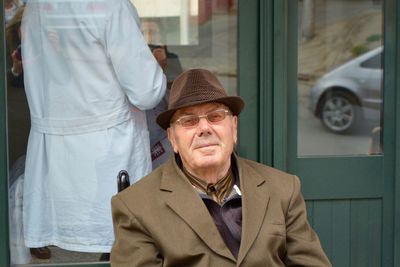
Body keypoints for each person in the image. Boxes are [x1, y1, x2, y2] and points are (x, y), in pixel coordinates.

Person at [110, 68, 332, 266]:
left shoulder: (283, 189)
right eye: (189, 121)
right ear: (172, 139)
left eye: (215, 116)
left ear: (233, 128)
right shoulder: (135, 207)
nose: (204, 128)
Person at [21, 0, 166, 255]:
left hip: (54, 165)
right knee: (119, 246)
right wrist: (157, 69)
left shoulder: (35, 6)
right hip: (108, 158)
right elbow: (147, 92)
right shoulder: (111, 6)